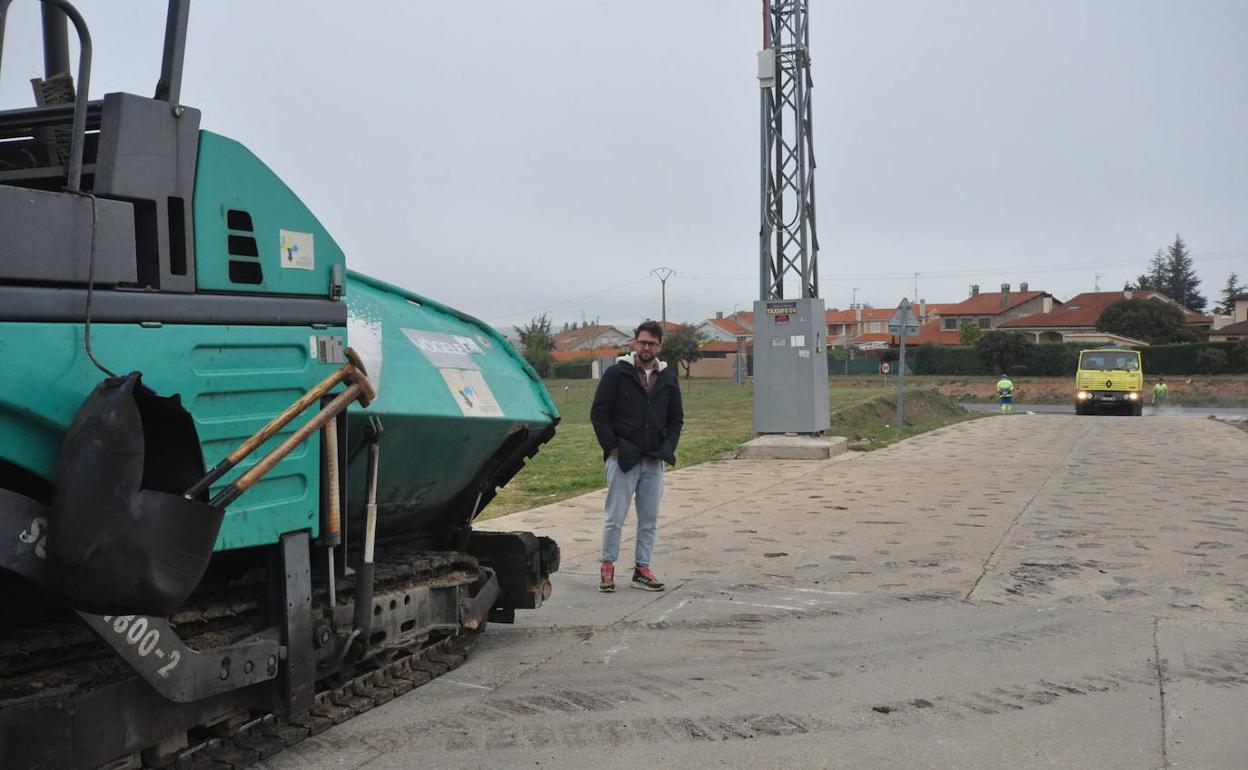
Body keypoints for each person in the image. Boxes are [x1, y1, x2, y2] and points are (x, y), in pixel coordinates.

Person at [590, 321, 684, 593]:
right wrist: (613, 447)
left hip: (654, 459)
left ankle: (642, 569)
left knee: (649, 519)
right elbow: (599, 413)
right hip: (623, 459)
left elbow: (676, 418)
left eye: (652, 344)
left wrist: (668, 448)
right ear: (634, 343)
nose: (646, 347)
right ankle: (607, 567)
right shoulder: (618, 373)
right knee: (615, 517)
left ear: (659, 346)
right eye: (642, 342)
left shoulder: (667, 377)